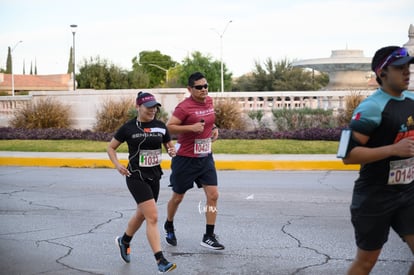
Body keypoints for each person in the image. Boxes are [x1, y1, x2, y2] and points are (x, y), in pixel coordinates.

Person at [341, 46, 414, 275]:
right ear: (382, 73)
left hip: (408, 193)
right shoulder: (371, 107)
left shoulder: (411, 100)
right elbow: (348, 155)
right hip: (374, 197)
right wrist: (393, 149)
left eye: (408, 67)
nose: (407, 72)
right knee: (366, 262)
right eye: (400, 68)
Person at [107, 92, 177, 273]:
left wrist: (171, 150)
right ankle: (160, 260)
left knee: (142, 214)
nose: (153, 110)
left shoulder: (161, 127)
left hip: (155, 176)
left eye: (155, 107)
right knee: (152, 216)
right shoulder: (128, 128)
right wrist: (117, 165)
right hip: (135, 176)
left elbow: (169, 145)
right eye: (149, 107)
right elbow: (111, 147)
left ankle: (125, 240)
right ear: (138, 107)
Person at [163, 71, 225, 250]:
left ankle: (209, 235)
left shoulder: (209, 101)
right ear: (190, 89)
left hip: (205, 157)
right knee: (178, 197)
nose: (204, 89)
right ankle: (169, 224)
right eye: (199, 87)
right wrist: (191, 128)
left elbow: (208, 119)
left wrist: (214, 128)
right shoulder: (183, 107)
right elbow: (170, 128)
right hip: (185, 159)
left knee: (213, 195)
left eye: (206, 86)